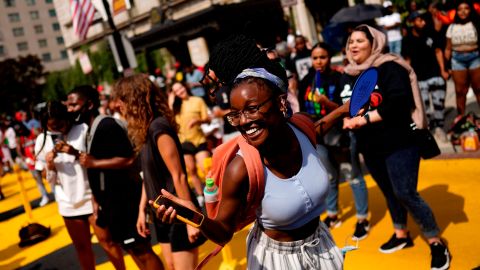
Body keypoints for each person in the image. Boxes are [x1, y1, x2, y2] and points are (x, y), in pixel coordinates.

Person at [155, 36, 344, 269]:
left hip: (323, 248)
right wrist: (193, 215)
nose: (243, 122)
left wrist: (345, 109)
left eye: (252, 109)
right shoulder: (240, 167)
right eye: (235, 114)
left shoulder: (302, 127)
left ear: (281, 102)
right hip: (277, 262)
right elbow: (224, 231)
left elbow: (318, 127)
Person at [341, 25, 450, 269]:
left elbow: (400, 103)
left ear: (374, 43)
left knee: (404, 192)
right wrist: (347, 118)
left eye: (359, 40)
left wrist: (365, 118)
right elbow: (346, 105)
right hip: (370, 146)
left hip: (400, 141)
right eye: (350, 42)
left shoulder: (390, 66)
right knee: (390, 192)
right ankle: (402, 234)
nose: (354, 46)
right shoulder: (349, 73)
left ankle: (435, 241)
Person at [112, 74, 205, 270]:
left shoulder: (158, 128)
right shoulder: (145, 130)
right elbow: (148, 176)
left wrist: (190, 220)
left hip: (178, 213)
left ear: (134, 98)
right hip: (161, 214)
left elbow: (179, 175)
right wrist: (141, 211)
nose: (117, 105)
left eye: (121, 99)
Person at [66, 85, 164, 270]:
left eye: (73, 105)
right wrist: (96, 198)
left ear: (88, 104)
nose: (69, 110)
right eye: (68, 105)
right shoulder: (92, 129)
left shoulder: (107, 126)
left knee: (141, 248)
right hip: (111, 202)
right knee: (132, 249)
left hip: (124, 200)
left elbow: (128, 159)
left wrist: (94, 163)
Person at [299, 42, 370, 239]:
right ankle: (332, 214)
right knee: (328, 177)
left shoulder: (340, 78)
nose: (319, 61)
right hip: (318, 138)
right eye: (315, 58)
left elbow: (348, 107)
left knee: (352, 175)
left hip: (341, 136)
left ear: (329, 58)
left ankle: (363, 218)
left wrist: (326, 103)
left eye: (323, 57)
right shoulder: (307, 80)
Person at [43, 101, 109, 270]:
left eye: (60, 123)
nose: (57, 128)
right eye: (52, 127)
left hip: (91, 196)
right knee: (81, 247)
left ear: (66, 117)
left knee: (107, 242)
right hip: (67, 202)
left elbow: (97, 161)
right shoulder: (44, 139)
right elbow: (47, 176)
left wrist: (75, 152)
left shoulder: (83, 129)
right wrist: (48, 165)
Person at [402, 11, 450, 142]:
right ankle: (429, 130)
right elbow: (407, 60)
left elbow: (438, 52)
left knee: (439, 103)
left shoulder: (430, 34)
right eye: (418, 20)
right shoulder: (407, 40)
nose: (422, 22)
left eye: (423, 19)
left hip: (435, 74)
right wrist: (408, 78)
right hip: (419, 78)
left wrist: (443, 70)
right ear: (412, 23)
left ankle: (440, 129)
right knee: (424, 106)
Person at [170, 81, 211, 205]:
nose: (180, 91)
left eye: (180, 88)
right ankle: (200, 195)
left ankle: (214, 192)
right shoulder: (175, 106)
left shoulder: (197, 100)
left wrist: (198, 120)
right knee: (192, 170)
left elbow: (208, 119)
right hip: (184, 142)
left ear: (185, 87)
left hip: (199, 140)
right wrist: (171, 101)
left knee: (206, 168)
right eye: (176, 91)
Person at [444, 0, 480, 118]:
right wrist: (446, 66)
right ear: (456, 12)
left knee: (478, 89)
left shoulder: (476, 24)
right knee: (460, 91)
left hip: (475, 57)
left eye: (466, 8)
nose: (463, 11)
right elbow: (448, 49)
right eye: (459, 9)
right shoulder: (452, 27)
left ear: (470, 10)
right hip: (457, 60)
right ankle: (461, 118)